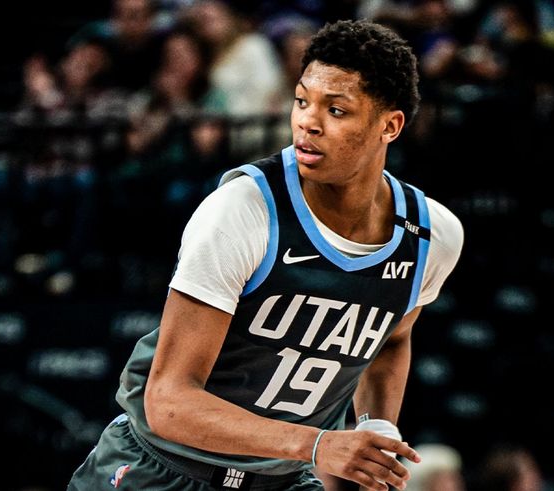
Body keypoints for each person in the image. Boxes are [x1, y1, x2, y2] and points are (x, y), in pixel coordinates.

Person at [67, 19, 464, 491]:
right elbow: (168, 401)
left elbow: (393, 339)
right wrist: (318, 445)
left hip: (281, 479)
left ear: (390, 126)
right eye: (302, 101)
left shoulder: (432, 235)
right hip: (162, 469)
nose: (307, 122)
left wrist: (376, 426)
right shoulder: (242, 209)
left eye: (336, 110)